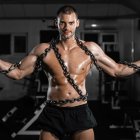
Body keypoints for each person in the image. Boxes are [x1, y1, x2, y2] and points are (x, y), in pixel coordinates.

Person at [0, 5, 140, 140]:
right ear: (57, 23)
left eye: (71, 23)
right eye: (63, 23)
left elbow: (118, 70)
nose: (67, 28)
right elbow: (17, 73)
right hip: (53, 112)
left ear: (77, 23)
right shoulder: (43, 50)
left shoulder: (90, 49)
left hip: (79, 111)